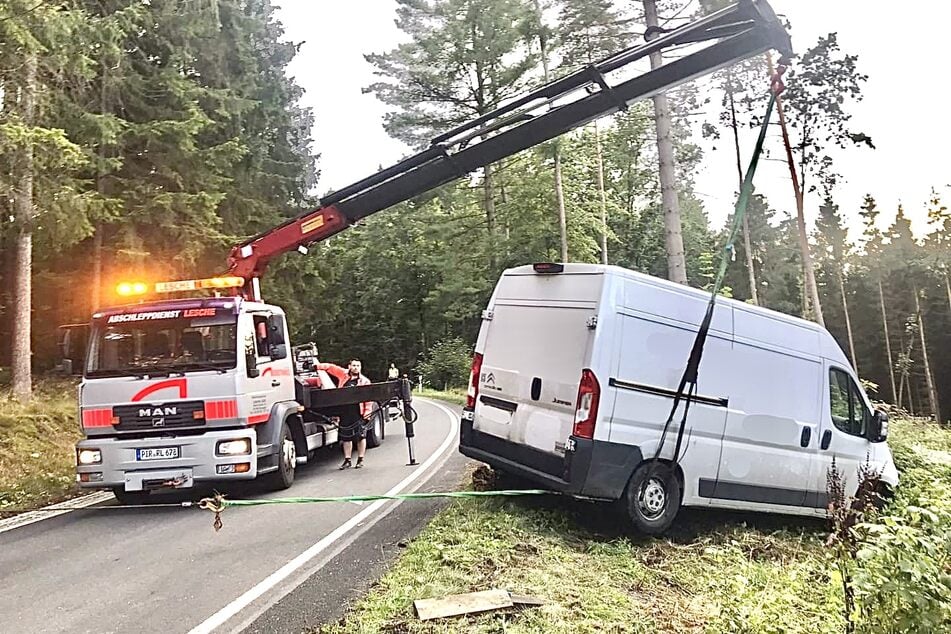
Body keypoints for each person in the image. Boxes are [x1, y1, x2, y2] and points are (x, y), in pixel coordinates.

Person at [315, 359, 372, 469]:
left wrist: (367, 413)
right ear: (349, 366)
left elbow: (368, 399)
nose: (356, 367)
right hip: (345, 411)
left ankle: (360, 459)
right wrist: (317, 366)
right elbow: (330, 367)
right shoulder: (343, 374)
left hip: (358, 412)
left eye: (358, 366)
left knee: (361, 436)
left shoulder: (364, 381)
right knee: (346, 437)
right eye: (354, 365)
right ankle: (347, 460)